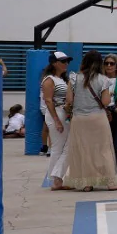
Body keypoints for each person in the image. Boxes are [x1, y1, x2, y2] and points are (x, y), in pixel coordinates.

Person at [62, 51, 117, 192]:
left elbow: (69, 100)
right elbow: (105, 102)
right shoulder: (103, 80)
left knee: (83, 150)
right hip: (97, 118)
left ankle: (86, 183)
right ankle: (112, 183)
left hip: (79, 119)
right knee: (104, 150)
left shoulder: (74, 78)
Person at [41, 52, 72, 191]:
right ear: (54, 63)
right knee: (59, 147)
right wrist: (56, 120)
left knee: (66, 146)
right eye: (63, 61)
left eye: (67, 61)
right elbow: (48, 100)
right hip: (57, 113)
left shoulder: (62, 79)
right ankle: (56, 180)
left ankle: (57, 178)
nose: (66, 64)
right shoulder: (49, 79)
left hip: (64, 113)